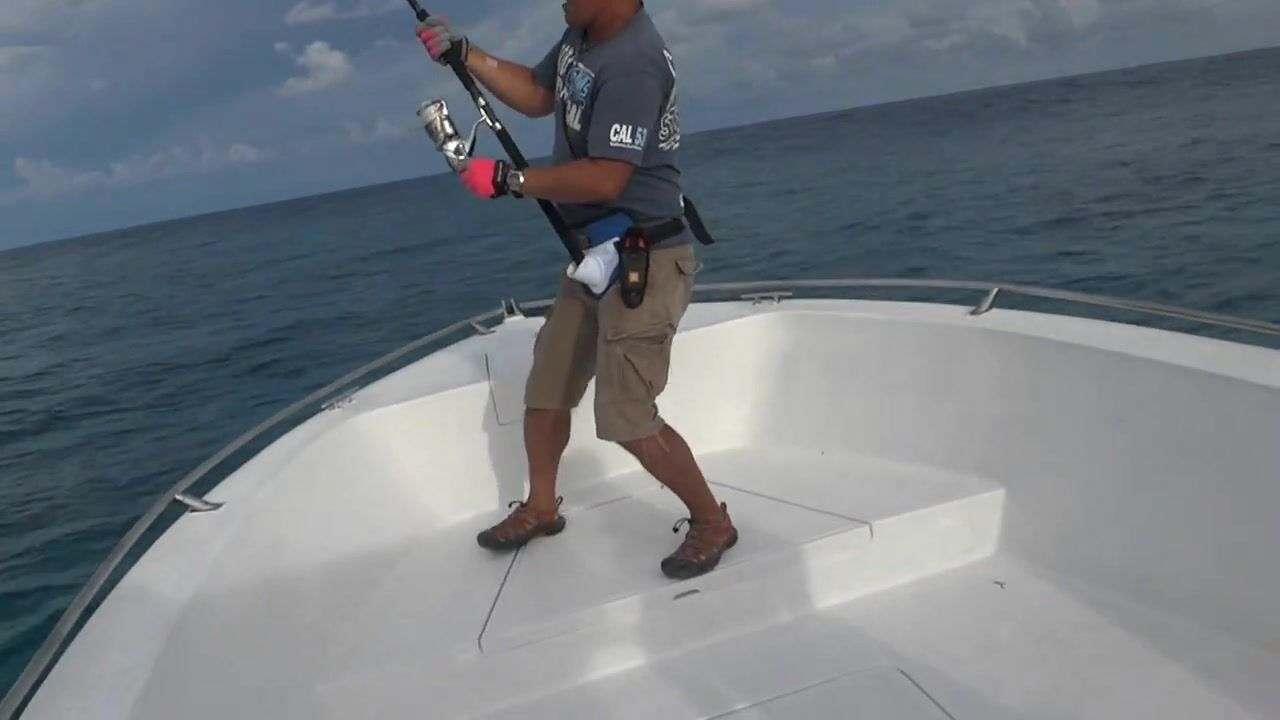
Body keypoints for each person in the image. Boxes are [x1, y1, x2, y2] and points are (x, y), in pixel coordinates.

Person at [416, 0, 737, 580]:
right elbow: (540, 93)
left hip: (646, 258)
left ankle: (713, 521)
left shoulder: (633, 62)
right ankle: (541, 508)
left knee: (625, 413)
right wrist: (467, 53)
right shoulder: (582, 36)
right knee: (548, 385)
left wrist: (510, 179)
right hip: (592, 255)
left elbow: (605, 177)